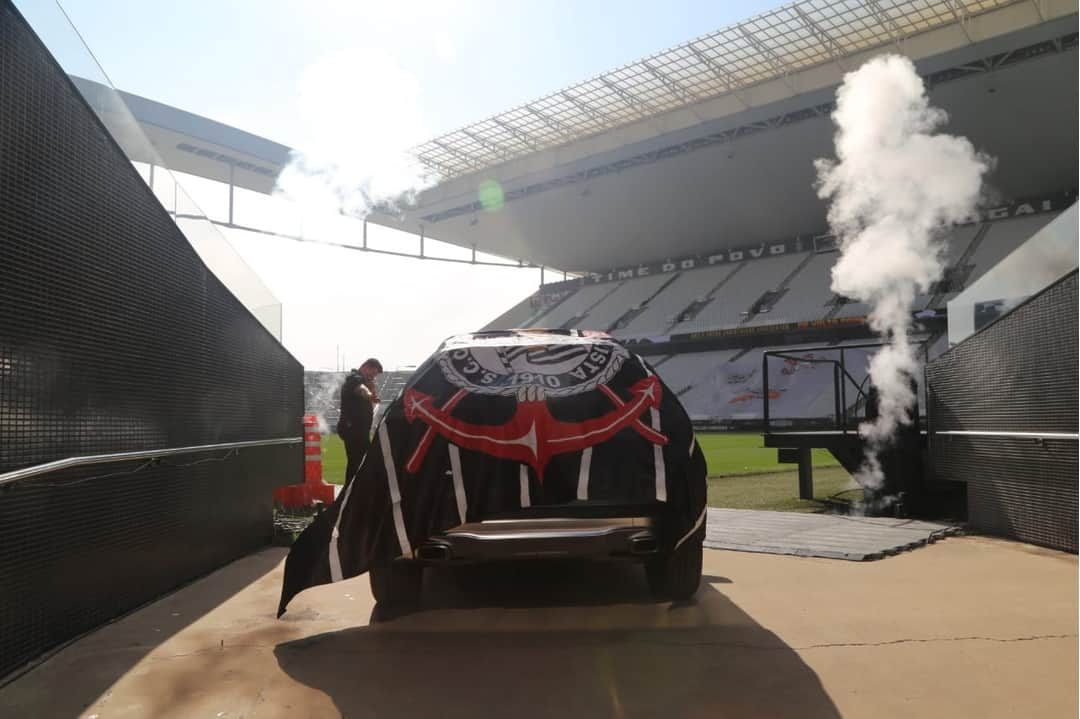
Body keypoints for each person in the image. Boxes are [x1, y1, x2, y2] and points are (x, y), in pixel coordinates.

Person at [337, 358, 383, 484]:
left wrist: (372, 387)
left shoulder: (364, 381)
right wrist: (370, 394)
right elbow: (361, 389)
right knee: (359, 462)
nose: (372, 377)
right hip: (353, 429)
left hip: (359, 430)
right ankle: (351, 493)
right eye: (372, 373)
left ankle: (351, 493)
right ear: (365, 367)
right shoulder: (354, 378)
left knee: (357, 463)